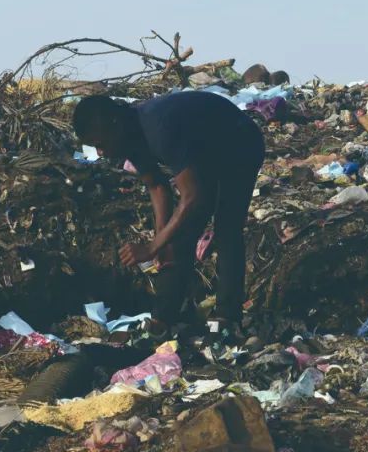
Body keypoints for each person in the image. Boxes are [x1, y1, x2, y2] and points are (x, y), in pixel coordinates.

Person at [72, 91, 265, 329]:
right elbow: (157, 186)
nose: (100, 153)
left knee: (226, 228)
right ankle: (163, 318)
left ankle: (228, 317)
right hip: (204, 152)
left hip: (239, 143)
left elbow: (191, 196)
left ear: (114, 124)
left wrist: (152, 247)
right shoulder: (129, 137)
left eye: (100, 144)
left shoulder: (158, 129)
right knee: (178, 234)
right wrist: (160, 241)